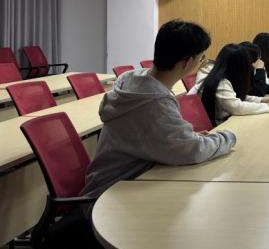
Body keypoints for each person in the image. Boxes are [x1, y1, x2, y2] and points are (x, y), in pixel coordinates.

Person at [82, 20, 237, 199]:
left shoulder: (133, 80)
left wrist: (185, 138)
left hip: (117, 182)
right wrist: (227, 138)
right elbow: (193, 151)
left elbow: (161, 137)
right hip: (110, 197)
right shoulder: (155, 102)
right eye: (200, 58)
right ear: (188, 62)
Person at [196, 43, 269, 126]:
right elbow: (236, 107)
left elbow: (236, 97)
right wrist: (267, 106)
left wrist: (261, 100)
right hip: (219, 126)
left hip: (225, 121)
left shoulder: (220, 75)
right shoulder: (221, 82)